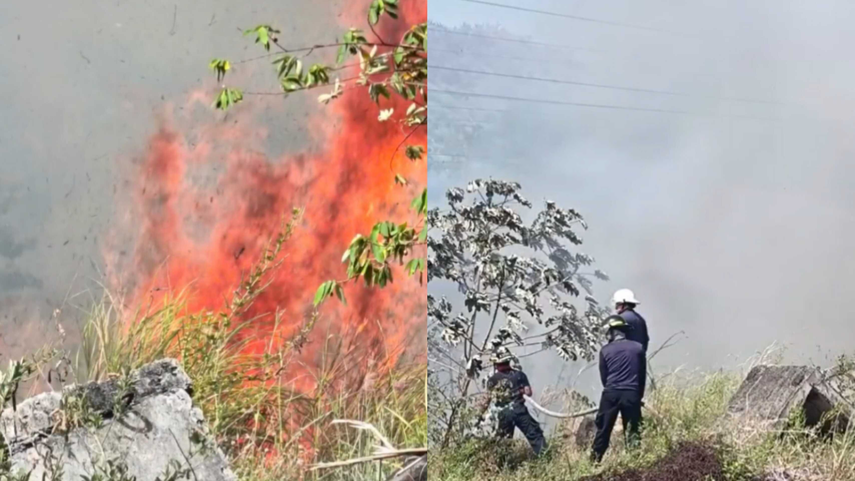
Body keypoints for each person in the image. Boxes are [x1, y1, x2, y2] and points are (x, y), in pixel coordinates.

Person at [591, 315, 646, 463]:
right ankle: (635, 462)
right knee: (633, 429)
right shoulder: (638, 348)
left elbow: (604, 378)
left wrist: (612, 390)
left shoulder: (605, 351)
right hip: (632, 394)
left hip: (611, 394)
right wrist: (637, 396)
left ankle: (594, 463)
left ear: (612, 332)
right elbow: (642, 376)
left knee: (603, 430)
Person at [485, 350, 548, 456]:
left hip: (504, 414)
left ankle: (501, 466)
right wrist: (521, 390)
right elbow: (528, 392)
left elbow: (486, 399)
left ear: (496, 364)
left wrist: (479, 416)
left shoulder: (493, 380)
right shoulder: (520, 375)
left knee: (503, 441)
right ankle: (546, 458)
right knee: (535, 435)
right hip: (520, 411)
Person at [613, 288, 649, 353]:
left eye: (617, 304)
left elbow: (615, 344)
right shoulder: (640, 319)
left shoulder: (620, 319)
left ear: (623, 304)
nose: (616, 307)